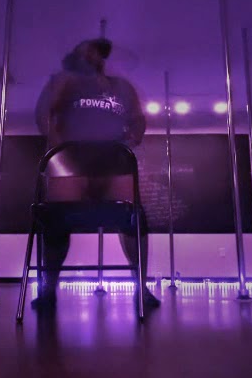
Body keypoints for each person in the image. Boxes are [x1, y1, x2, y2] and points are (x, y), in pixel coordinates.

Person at [31, 37, 160, 311]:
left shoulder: (121, 87)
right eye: (86, 51)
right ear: (75, 55)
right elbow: (44, 114)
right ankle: (48, 289)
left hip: (113, 158)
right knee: (57, 220)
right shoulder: (63, 81)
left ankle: (141, 288)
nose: (92, 56)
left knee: (133, 217)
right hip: (70, 158)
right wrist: (57, 144)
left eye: (97, 52)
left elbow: (137, 118)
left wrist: (134, 135)